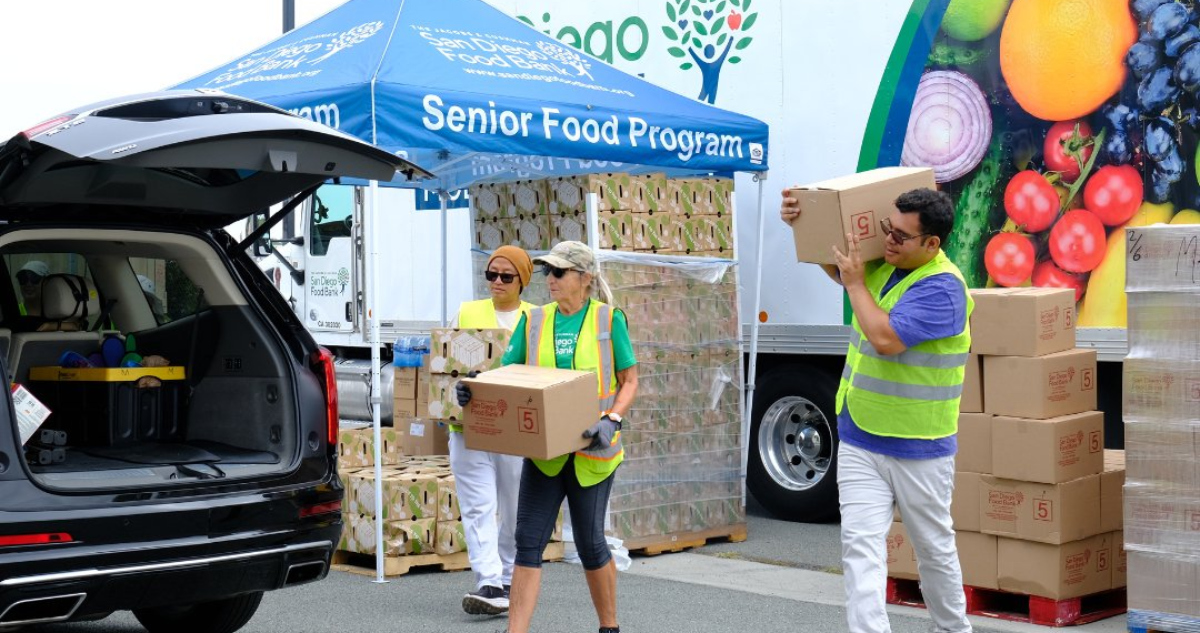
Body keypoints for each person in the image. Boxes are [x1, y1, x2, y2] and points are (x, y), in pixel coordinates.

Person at [780, 187, 973, 633]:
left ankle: (952, 629)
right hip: (860, 436)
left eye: (901, 236)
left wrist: (853, 284)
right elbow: (838, 266)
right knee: (860, 548)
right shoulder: (889, 263)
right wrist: (801, 222)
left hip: (918, 448)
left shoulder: (944, 288)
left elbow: (885, 339)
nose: (888, 240)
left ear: (932, 243)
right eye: (889, 228)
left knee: (933, 549)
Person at [456, 241, 638, 633]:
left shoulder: (608, 320)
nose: (549, 279)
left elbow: (630, 380)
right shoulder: (535, 320)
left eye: (558, 272)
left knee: (590, 544)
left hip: (593, 451)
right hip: (546, 453)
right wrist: (475, 387)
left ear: (584, 278)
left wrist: (613, 419)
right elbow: (508, 373)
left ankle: (609, 627)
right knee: (528, 541)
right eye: (547, 272)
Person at [454, 246, 537, 616]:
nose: (496, 282)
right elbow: (446, 361)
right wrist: (457, 388)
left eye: (506, 276)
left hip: (515, 427)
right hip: (469, 424)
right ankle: (487, 580)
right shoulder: (467, 312)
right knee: (478, 505)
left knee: (515, 504)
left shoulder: (537, 318)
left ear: (522, 281)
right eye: (491, 274)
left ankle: (507, 575)